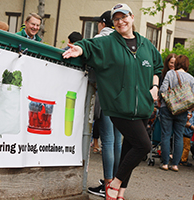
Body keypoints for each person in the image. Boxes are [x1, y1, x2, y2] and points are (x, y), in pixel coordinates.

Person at [62, 3, 163, 200]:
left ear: (132, 18)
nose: (120, 21)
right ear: (113, 23)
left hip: (143, 106)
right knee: (143, 146)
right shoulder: (109, 42)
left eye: (124, 17)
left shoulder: (146, 45)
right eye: (116, 19)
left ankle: (120, 193)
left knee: (128, 149)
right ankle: (114, 184)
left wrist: (155, 87)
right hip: (119, 106)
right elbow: (89, 45)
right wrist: (78, 50)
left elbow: (157, 66)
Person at [87, 10, 122, 198]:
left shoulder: (100, 39)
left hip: (105, 92)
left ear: (102, 23)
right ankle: (115, 181)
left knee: (107, 140)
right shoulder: (121, 39)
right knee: (117, 140)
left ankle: (108, 184)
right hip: (121, 94)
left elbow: (92, 67)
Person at [159, 55, 194, 172]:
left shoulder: (170, 74)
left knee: (166, 135)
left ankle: (164, 163)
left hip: (167, 108)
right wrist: (189, 111)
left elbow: (163, 89)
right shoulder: (191, 78)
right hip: (183, 111)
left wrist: (166, 99)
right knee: (179, 136)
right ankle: (175, 165)